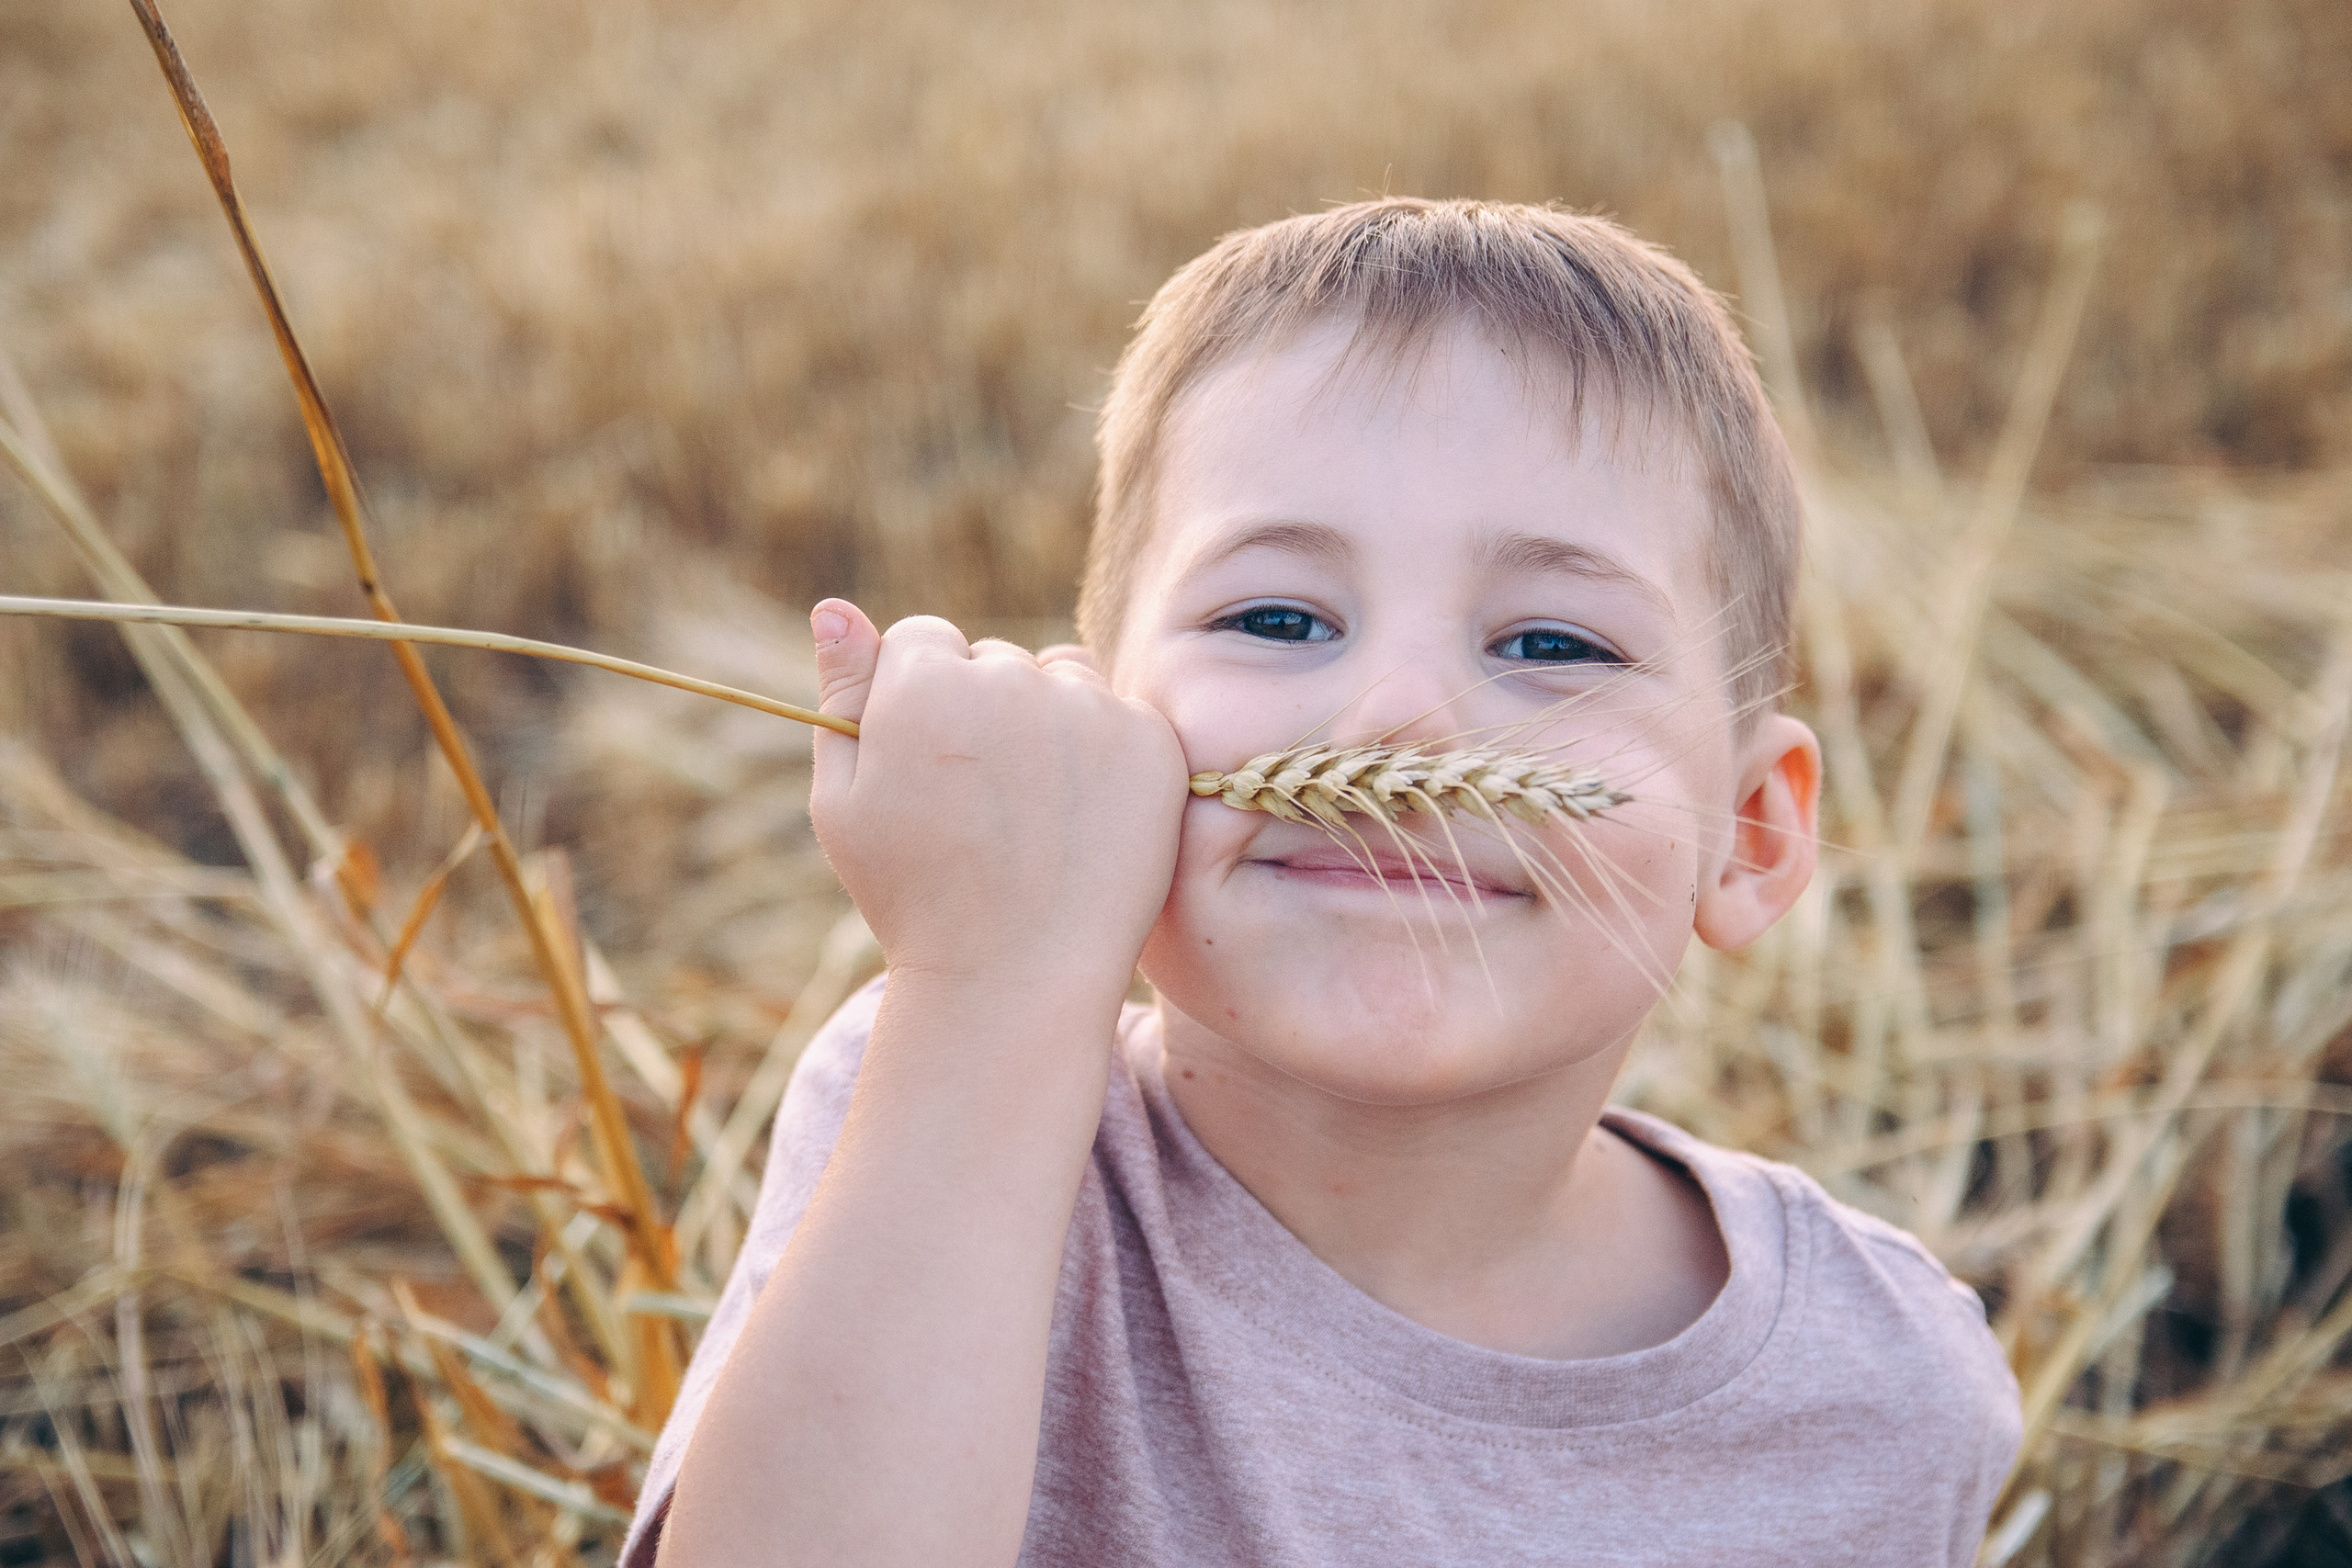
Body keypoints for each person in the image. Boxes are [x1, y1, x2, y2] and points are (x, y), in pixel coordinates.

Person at [627, 198, 2022, 1568]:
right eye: (1277, 617)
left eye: (1552, 644)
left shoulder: (1885, 1397)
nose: (1397, 719)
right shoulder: (950, 1101)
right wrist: (989, 983)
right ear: (1098, 753)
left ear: (1754, 835)